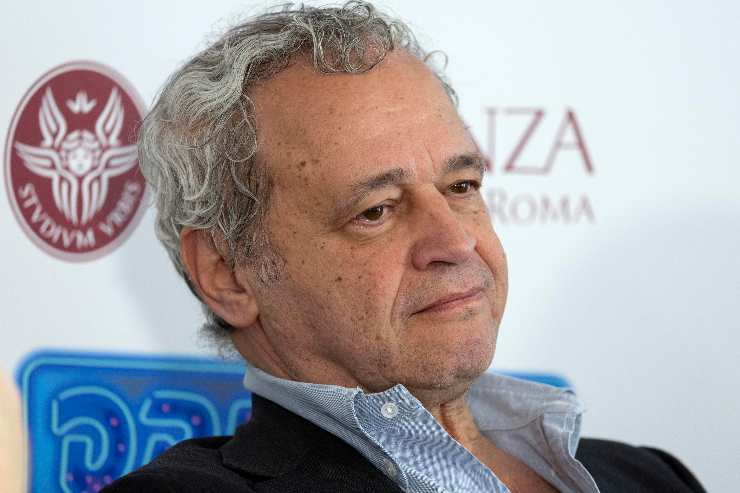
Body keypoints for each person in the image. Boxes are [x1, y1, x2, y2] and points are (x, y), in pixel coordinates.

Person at [106, 2, 705, 492]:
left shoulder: (651, 476)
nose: (457, 241)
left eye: (461, 186)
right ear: (227, 274)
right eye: (376, 211)